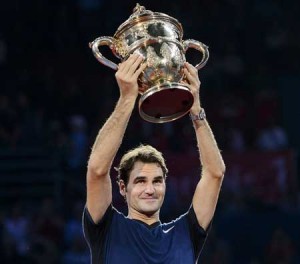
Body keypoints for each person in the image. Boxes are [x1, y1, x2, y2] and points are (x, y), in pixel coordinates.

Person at [83, 53, 226, 263]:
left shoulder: (186, 233)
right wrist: (127, 99)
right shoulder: (106, 228)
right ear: (123, 188)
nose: (150, 189)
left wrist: (195, 110)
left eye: (157, 181)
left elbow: (215, 173)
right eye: (140, 181)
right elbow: (97, 169)